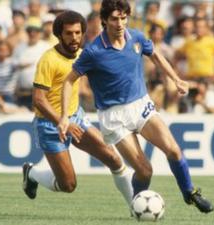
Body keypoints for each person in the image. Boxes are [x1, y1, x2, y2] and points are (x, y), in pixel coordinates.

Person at [59, 0, 213, 213]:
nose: (120, 23)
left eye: (123, 17)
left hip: (141, 105)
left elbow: (156, 55)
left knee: (174, 151)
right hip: (114, 116)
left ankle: (190, 193)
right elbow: (69, 81)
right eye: (114, 18)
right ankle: (136, 205)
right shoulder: (94, 50)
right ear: (104, 20)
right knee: (144, 171)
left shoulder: (137, 38)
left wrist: (176, 79)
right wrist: (65, 116)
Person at [22, 11, 133, 208]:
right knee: (68, 185)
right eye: (69, 33)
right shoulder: (49, 60)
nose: (74, 38)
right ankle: (32, 173)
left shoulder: (83, 55)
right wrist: (63, 122)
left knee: (114, 158)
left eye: (78, 33)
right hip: (50, 125)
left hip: (77, 118)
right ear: (59, 34)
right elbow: (38, 100)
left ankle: (135, 207)